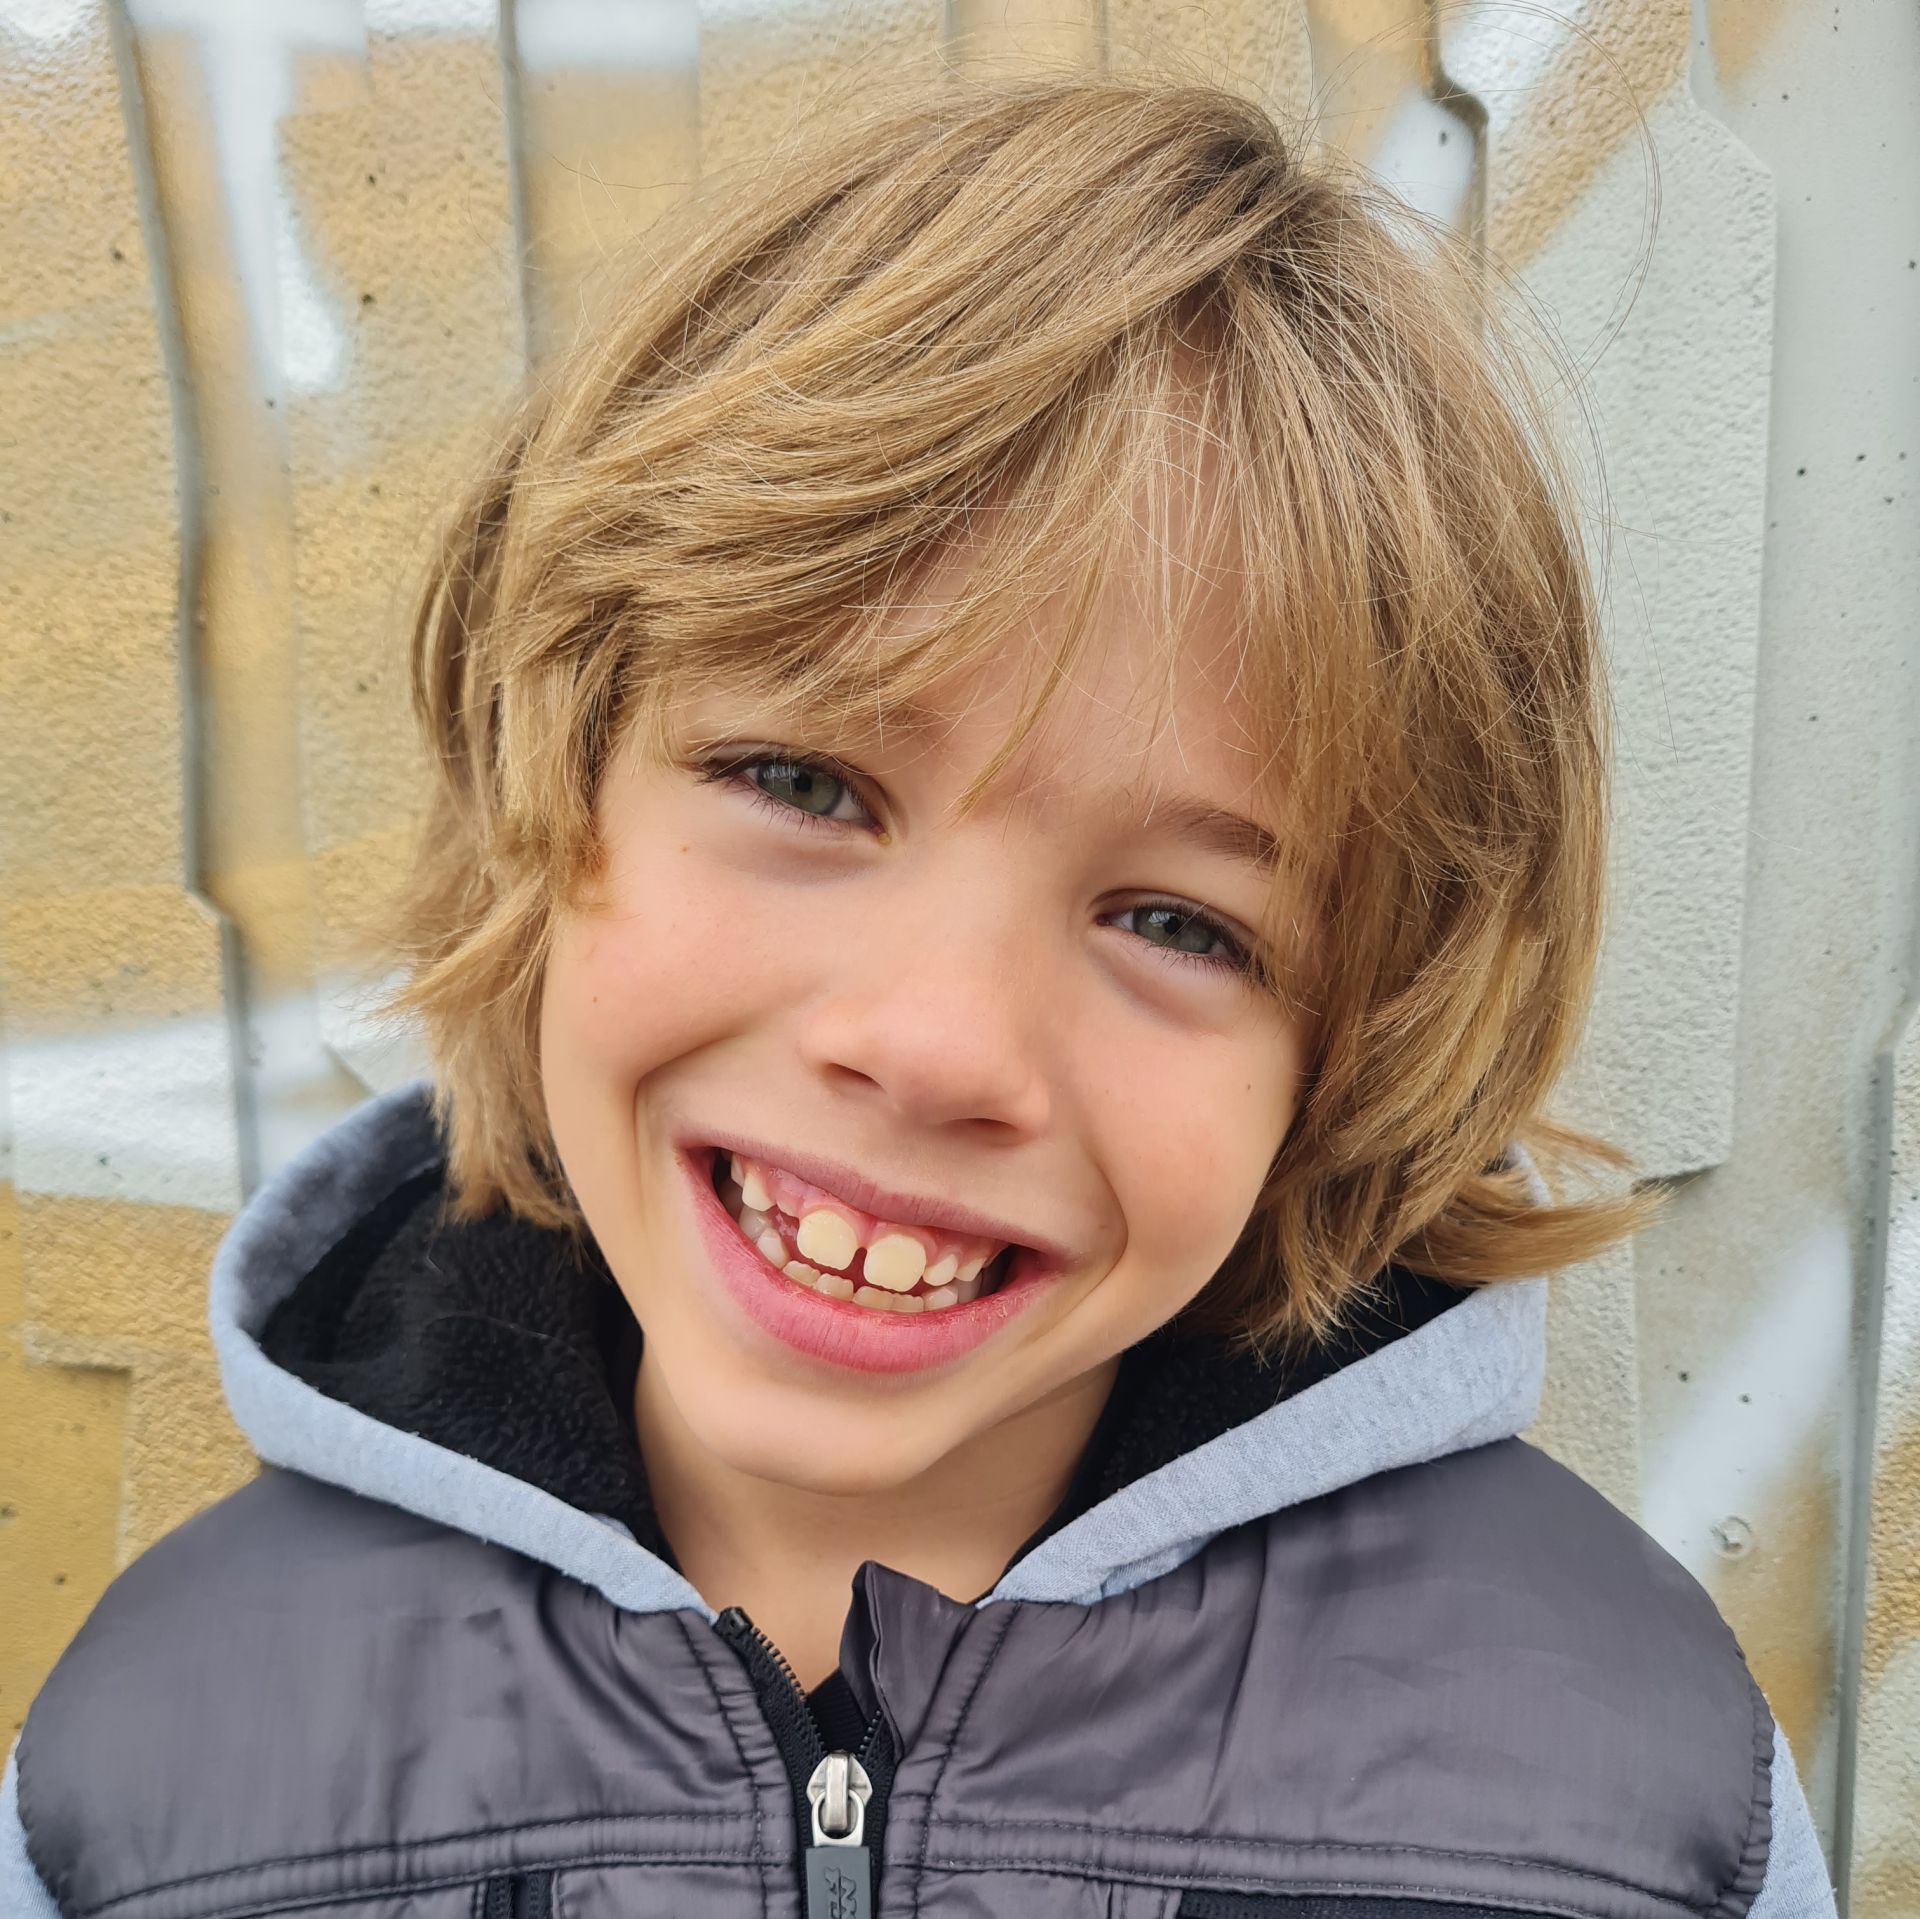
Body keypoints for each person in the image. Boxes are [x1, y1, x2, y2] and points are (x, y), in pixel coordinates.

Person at [4, 68, 1837, 1919]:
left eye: (1180, 924)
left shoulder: (1623, 1813)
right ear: (550, 768)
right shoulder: (160, 1789)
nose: (936, 1042)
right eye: (803, 784)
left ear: (1346, 1061)